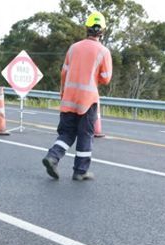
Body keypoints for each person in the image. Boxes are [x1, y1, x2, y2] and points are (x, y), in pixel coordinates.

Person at [42, 11, 113, 181]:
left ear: (87, 28)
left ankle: (53, 157)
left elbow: (64, 73)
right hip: (87, 101)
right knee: (85, 135)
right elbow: (106, 78)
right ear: (102, 31)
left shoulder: (73, 48)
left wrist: (63, 94)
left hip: (69, 98)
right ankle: (80, 171)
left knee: (67, 133)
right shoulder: (103, 51)